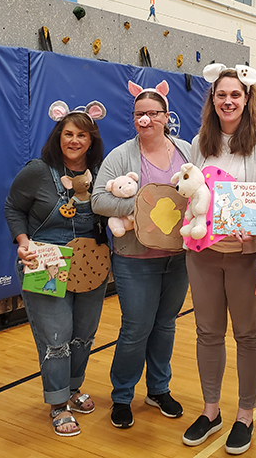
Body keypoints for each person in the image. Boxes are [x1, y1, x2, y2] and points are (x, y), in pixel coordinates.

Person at [181, 64, 256, 455]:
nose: (228, 101)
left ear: (247, 99)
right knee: (207, 333)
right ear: (212, 98)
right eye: (221, 94)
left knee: (247, 334)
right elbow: (191, 193)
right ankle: (211, 411)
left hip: (247, 254)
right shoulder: (199, 142)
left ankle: (245, 414)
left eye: (236, 95)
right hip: (203, 255)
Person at [4, 101, 109, 437]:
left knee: (83, 335)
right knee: (56, 338)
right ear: (58, 136)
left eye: (81, 135)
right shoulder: (37, 170)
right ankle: (58, 403)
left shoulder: (101, 174)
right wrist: (23, 241)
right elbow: (13, 208)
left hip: (91, 264)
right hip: (45, 261)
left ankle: (73, 389)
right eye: (68, 134)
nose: (74, 140)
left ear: (91, 140)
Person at [91, 80, 192, 429]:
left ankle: (158, 389)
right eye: (139, 114)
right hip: (134, 258)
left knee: (165, 325)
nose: (145, 120)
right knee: (136, 328)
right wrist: (142, 205)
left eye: (153, 114)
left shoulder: (185, 150)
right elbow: (98, 200)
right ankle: (122, 396)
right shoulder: (120, 156)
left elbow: (199, 190)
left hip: (177, 258)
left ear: (166, 116)